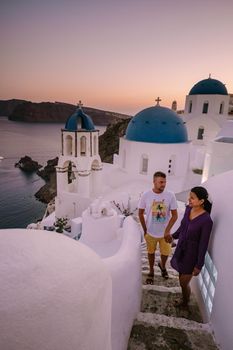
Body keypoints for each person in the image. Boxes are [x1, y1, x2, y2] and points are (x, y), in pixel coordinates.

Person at [165, 186, 213, 308]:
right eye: (189, 197)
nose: (189, 199)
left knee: (183, 282)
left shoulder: (207, 220)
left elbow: (204, 244)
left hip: (192, 255)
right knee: (181, 279)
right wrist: (173, 236)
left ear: (202, 201)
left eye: (192, 198)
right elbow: (183, 226)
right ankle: (184, 300)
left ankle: (185, 303)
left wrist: (199, 265)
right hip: (181, 249)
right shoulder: (188, 209)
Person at [138, 171, 178, 284]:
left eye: (165, 182)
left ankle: (163, 266)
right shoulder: (146, 195)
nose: (163, 184)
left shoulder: (170, 195)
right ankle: (151, 271)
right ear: (154, 182)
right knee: (150, 252)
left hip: (165, 234)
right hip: (150, 232)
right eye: (161, 182)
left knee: (165, 253)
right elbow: (140, 213)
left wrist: (167, 231)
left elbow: (175, 216)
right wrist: (145, 229)